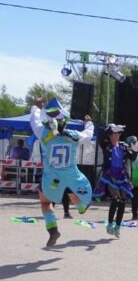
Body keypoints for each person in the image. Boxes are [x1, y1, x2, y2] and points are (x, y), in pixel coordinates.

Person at [28, 98, 94, 247]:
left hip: (52, 177)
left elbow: (34, 120)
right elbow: (89, 134)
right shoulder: (74, 135)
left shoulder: (43, 132)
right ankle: (81, 206)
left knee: (45, 202)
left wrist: (37, 107)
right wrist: (88, 122)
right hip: (72, 175)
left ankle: (53, 230)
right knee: (72, 190)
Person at [94, 123, 137, 238]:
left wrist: (135, 150)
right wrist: (110, 128)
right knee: (116, 198)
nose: (118, 135)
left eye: (119, 133)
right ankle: (109, 224)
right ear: (110, 135)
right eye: (115, 133)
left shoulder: (123, 146)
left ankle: (117, 226)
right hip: (109, 175)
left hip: (121, 175)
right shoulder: (105, 144)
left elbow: (132, 158)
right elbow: (100, 135)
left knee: (123, 200)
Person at [126, 136, 138, 221]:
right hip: (127, 178)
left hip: (136, 178)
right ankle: (116, 215)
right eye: (134, 142)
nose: (136, 144)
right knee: (121, 197)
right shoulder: (126, 152)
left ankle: (135, 214)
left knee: (135, 198)